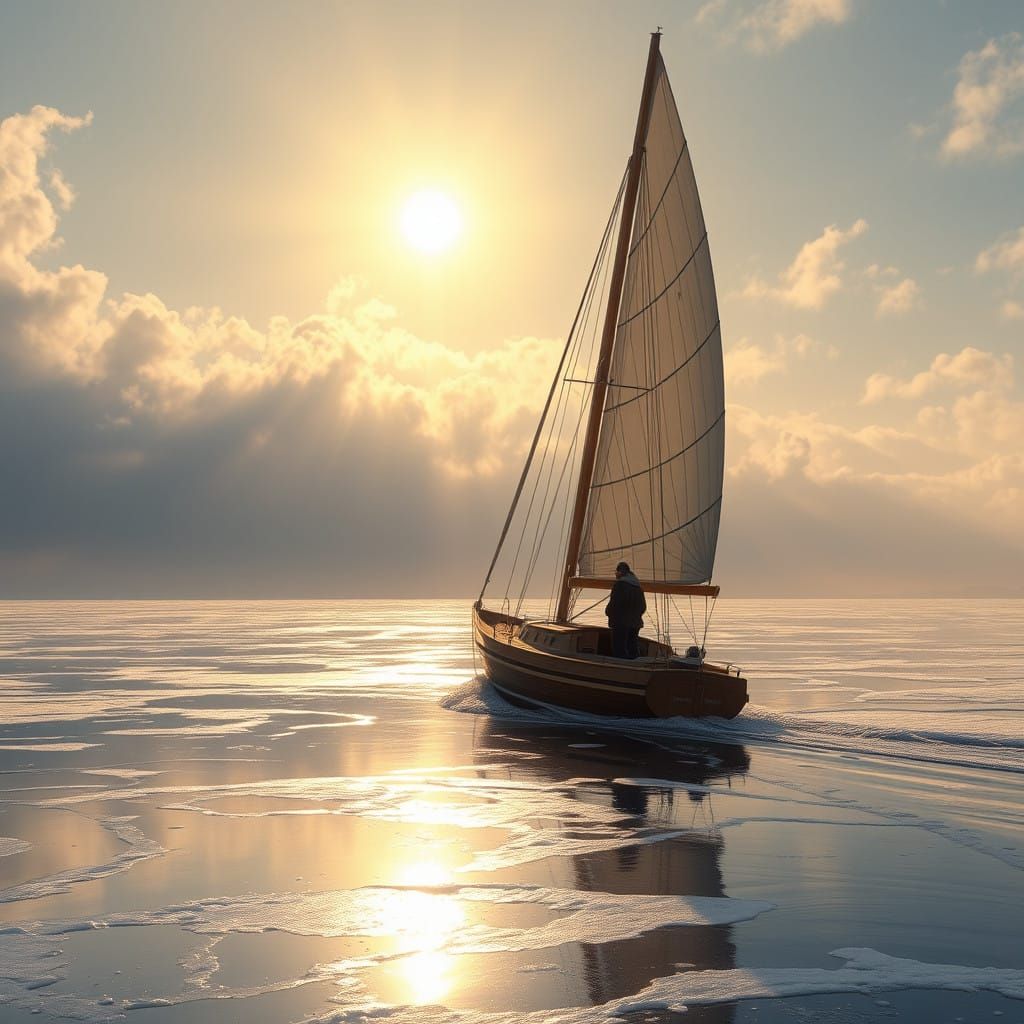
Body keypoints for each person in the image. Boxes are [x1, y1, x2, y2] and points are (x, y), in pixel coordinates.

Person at [605, 561, 646, 659]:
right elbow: (643, 607)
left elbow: (615, 603)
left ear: (620, 572)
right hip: (635, 623)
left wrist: (608, 612)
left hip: (620, 623)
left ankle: (620, 666)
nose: (616, 575)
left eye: (616, 572)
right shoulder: (638, 587)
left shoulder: (620, 585)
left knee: (619, 651)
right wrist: (636, 616)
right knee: (632, 649)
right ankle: (635, 665)